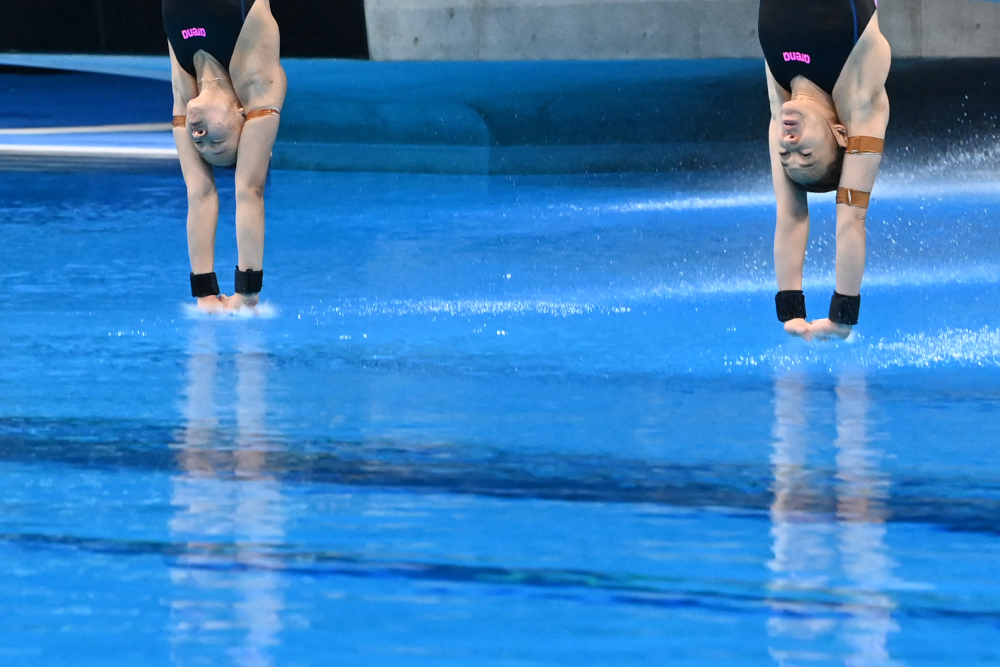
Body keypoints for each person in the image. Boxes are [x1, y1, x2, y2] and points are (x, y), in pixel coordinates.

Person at [759, 0, 890, 340]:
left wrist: (791, 312)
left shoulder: (781, 98)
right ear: (841, 134)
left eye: (786, 153)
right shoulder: (859, 99)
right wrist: (841, 318)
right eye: (806, 153)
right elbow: (851, 218)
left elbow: (790, 213)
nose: (788, 142)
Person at [164, 0, 287, 313]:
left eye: (201, 144)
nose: (199, 137)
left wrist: (205, 294)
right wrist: (247, 295)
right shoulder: (257, 81)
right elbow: (249, 190)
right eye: (216, 140)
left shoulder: (186, 89)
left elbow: (199, 192)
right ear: (242, 112)